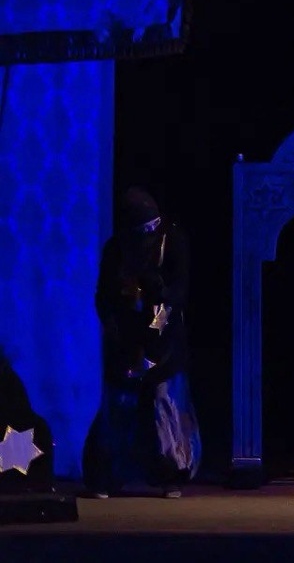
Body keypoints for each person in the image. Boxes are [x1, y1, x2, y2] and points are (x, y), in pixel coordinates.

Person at [83, 187, 201, 498]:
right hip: (126, 338)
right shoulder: (116, 250)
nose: (149, 236)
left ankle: (171, 475)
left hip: (164, 337)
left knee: (164, 405)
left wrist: (159, 292)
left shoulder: (172, 241)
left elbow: (181, 289)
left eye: (153, 227)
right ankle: (107, 475)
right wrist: (113, 328)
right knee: (119, 406)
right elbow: (103, 297)